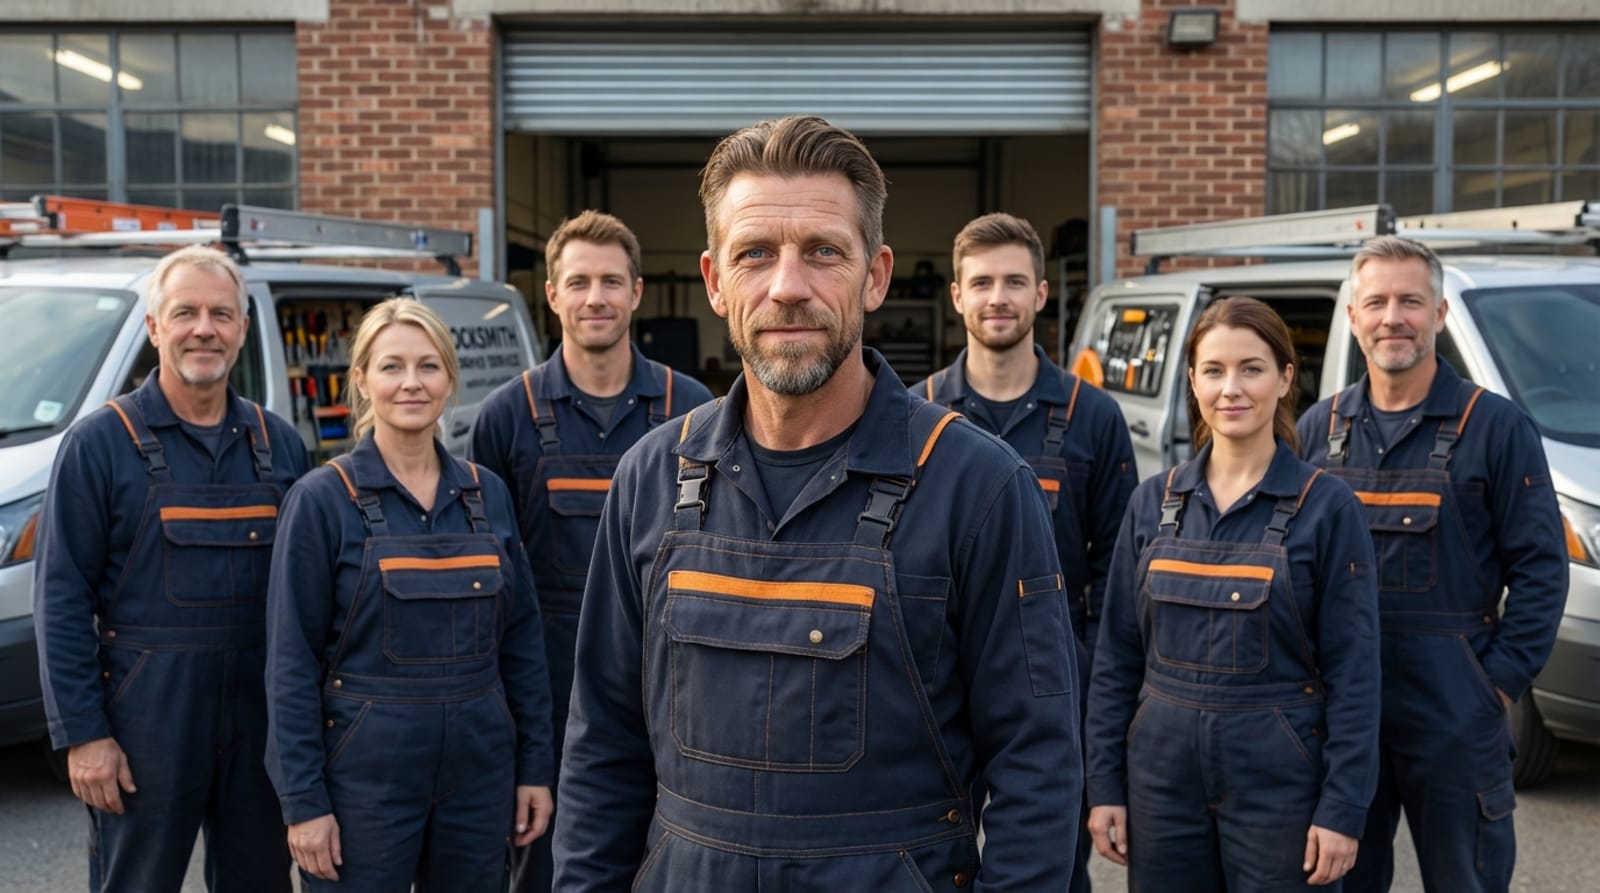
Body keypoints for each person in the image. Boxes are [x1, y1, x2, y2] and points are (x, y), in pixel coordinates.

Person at [550, 114, 1082, 890]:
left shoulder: (978, 486)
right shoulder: (651, 480)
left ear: (875, 275)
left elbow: (1039, 768)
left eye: (824, 252)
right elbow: (602, 748)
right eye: (755, 254)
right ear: (714, 281)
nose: (788, 287)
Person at [33, 245, 311, 892]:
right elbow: (62, 597)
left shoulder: (279, 445)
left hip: (258, 715)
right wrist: (84, 734)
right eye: (185, 312)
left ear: (242, 328)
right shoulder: (98, 445)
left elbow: (307, 598)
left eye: (221, 313)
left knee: (259, 880)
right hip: (146, 719)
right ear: (155, 328)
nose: (204, 328)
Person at [1296, 236, 1568, 893]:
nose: (1394, 317)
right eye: (1378, 301)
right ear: (1354, 316)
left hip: (1455, 708)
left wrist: (1492, 685)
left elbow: (1542, 569)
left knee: (1466, 880)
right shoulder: (1316, 429)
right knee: (1340, 880)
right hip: (1342, 714)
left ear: (1440, 314)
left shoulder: (1497, 428)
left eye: (1411, 301)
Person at [1086, 296, 1381, 891]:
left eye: (1252, 368)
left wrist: (1342, 810)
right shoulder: (1153, 503)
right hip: (1161, 782)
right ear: (1192, 381)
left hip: (1280, 786)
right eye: (1214, 370)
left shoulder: (1326, 508)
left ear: (1284, 379)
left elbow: (1356, 673)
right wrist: (1106, 787)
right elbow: (1116, 662)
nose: (1232, 389)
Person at [264, 298, 554, 891]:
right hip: (363, 784)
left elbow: (522, 648)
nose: (411, 384)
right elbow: (290, 665)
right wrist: (304, 803)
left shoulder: (486, 495)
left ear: (450, 379)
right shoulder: (322, 500)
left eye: (428, 367)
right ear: (364, 382)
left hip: (478, 777)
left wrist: (534, 769)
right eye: (391, 367)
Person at [468, 209, 712, 893]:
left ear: (637, 291)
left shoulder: (692, 410)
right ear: (552, 294)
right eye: (578, 282)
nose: (595, 298)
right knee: (551, 865)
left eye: (611, 281)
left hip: (672, 683)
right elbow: (492, 582)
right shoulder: (506, 416)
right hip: (543, 692)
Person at [915, 211, 1136, 893]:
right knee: (932, 851)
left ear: (1042, 294)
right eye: (981, 282)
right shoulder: (914, 413)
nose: (998, 298)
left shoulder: (1093, 416)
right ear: (957, 295)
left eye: (1015, 281)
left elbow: (1119, 578)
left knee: (1050, 858)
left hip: (1052, 680)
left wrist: (1091, 674)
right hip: (938, 679)